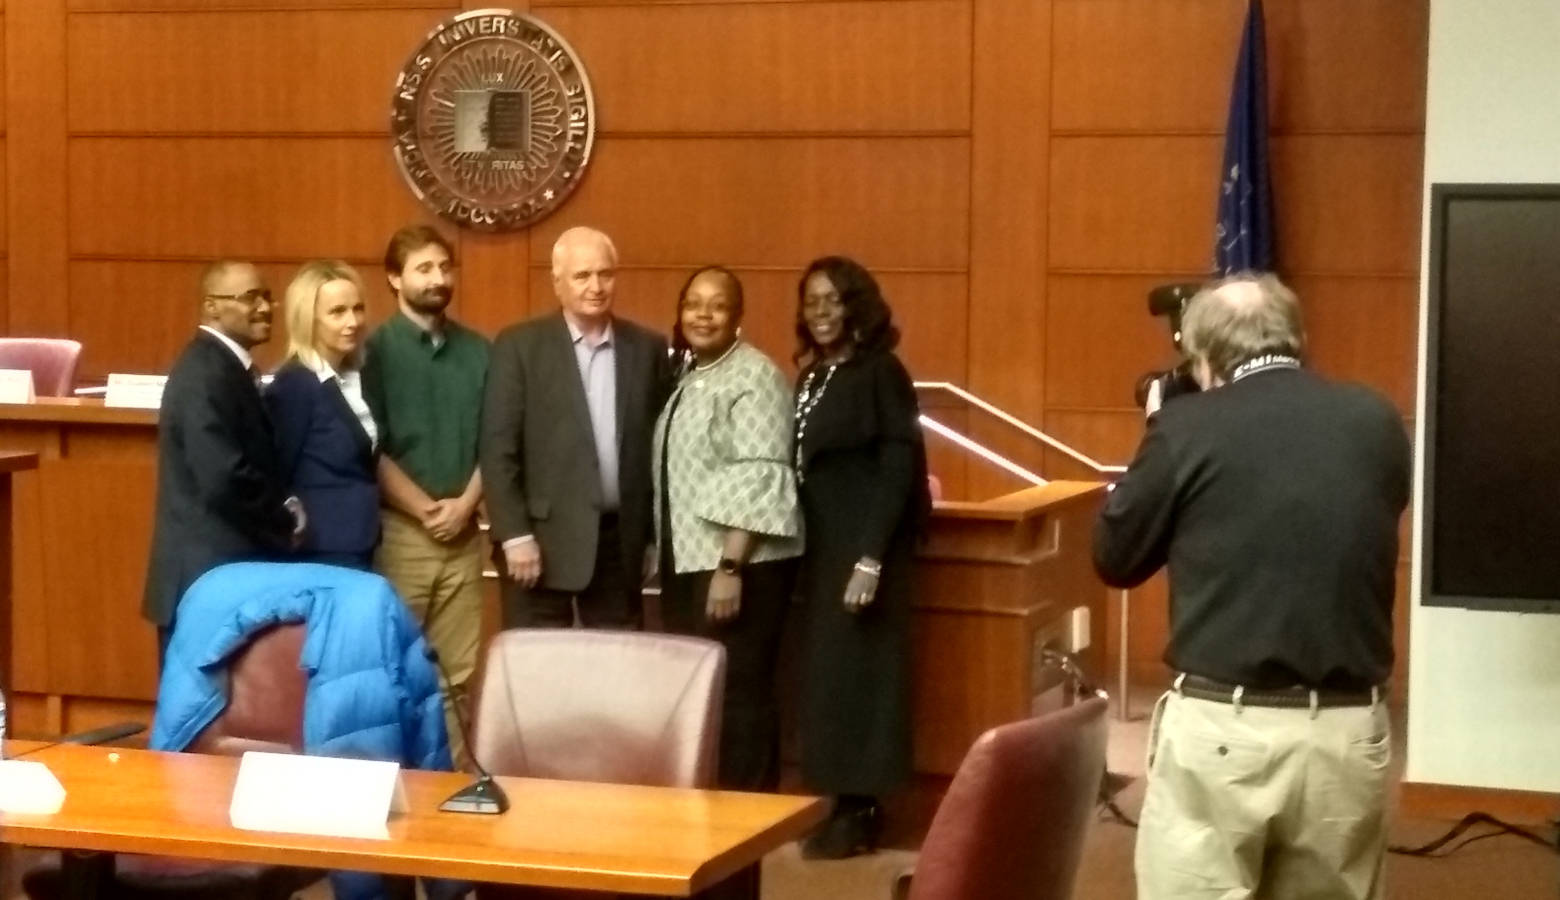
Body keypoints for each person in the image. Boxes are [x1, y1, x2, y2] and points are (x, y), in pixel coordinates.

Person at [1093, 273, 1411, 900]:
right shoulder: (1376, 420)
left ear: (1202, 356)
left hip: (1223, 731)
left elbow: (1116, 557)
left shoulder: (1184, 429)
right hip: (1348, 734)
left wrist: (1158, 431)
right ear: (1300, 339)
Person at [791, 256, 930, 859]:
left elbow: (900, 468)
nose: (821, 312)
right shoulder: (813, 375)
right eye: (811, 301)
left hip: (864, 549)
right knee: (829, 679)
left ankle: (863, 809)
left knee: (863, 678)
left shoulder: (882, 373)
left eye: (833, 300)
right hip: (821, 548)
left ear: (857, 306)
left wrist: (870, 558)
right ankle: (838, 802)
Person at [653, 266, 802, 794]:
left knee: (739, 692)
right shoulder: (692, 375)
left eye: (717, 305)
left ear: (737, 316)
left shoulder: (754, 375)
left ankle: (749, 817)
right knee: (705, 690)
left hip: (739, 565)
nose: (703, 314)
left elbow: (761, 474)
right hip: (691, 562)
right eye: (693, 303)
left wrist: (731, 566)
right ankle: (713, 810)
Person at [481, 226, 672, 630]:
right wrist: (514, 535)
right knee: (537, 673)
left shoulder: (648, 348)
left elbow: (657, 452)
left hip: (618, 545)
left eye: (605, 274)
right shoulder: (519, 346)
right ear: (557, 282)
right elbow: (498, 448)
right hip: (538, 544)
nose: (596, 286)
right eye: (582, 276)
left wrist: (651, 538)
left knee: (615, 673)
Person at [362, 225, 490, 770]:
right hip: (400, 536)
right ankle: (394, 794)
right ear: (394, 278)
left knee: (456, 678)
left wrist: (464, 507)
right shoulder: (371, 351)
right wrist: (425, 510)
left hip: (464, 536)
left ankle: (449, 797)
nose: (438, 279)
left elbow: (497, 440)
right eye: (423, 269)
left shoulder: (480, 350)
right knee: (390, 672)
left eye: (444, 267)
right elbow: (370, 448)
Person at [143, 260, 304, 653]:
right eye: (250, 298)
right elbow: (223, 477)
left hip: (222, 576)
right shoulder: (205, 374)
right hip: (205, 580)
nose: (265, 308)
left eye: (267, 297)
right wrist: (285, 517)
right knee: (200, 710)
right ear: (212, 306)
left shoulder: (225, 368)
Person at [265, 261, 379, 570]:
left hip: (358, 542)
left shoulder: (355, 377)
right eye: (337, 312)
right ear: (308, 320)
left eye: (358, 308)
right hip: (317, 549)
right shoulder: (295, 384)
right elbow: (277, 471)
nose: (353, 321)